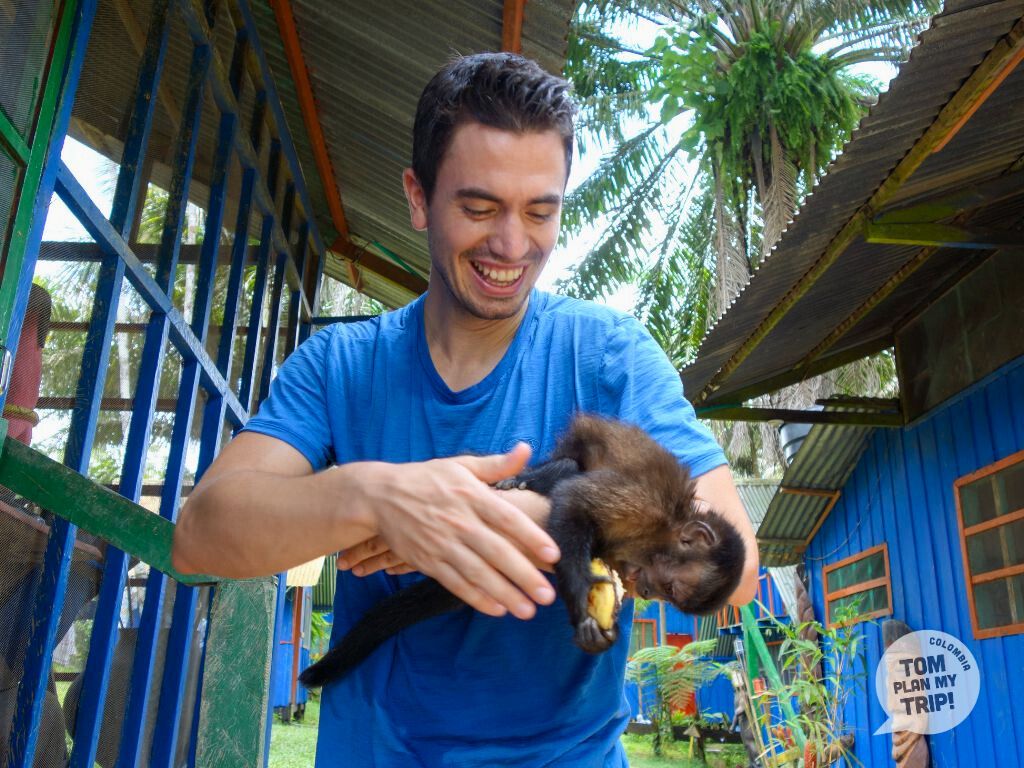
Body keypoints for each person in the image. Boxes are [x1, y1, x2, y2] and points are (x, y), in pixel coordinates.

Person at [173, 52, 758, 767]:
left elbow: (742, 565)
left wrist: (487, 517)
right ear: (418, 198)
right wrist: (376, 496)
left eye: (541, 212)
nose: (512, 246)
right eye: (479, 208)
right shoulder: (340, 365)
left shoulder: (609, 355)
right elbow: (200, 533)